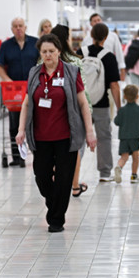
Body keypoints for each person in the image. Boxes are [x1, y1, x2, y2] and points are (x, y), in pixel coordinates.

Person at [15, 34, 97, 232]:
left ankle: (56, 219)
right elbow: (26, 103)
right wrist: (20, 130)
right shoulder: (34, 73)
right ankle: (55, 204)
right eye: (44, 52)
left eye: (52, 51)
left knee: (63, 179)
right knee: (41, 176)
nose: (48, 55)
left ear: (59, 51)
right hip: (41, 137)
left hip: (66, 137)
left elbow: (83, 102)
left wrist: (89, 131)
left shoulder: (71, 72)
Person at [49, 25, 91, 198]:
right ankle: (74, 185)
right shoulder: (76, 61)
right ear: (66, 39)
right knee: (76, 150)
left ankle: (56, 181)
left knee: (54, 149)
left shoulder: (44, 60)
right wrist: (89, 114)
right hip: (73, 113)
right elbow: (84, 92)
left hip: (51, 113)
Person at [78, 23, 121, 182]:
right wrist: (118, 106)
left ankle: (74, 171)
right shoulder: (108, 57)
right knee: (104, 137)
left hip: (81, 104)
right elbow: (114, 85)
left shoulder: (80, 53)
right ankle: (104, 173)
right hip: (101, 104)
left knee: (79, 137)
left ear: (91, 35)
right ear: (106, 37)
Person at [0, 17, 40, 168]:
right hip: (14, 91)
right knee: (15, 123)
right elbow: (0, 66)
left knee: (35, 122)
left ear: (25, 27)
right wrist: (7, 80)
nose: (18, 28)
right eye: (15, 26)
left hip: (33, 88)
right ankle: (17, 157)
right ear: (12, 29)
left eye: (20, 26)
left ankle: (37, 155)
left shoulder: (35, 43)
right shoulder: (6, 46)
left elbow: (41, 62)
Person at [113, 85, 139, 184]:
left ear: (124, 97)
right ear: (137, 96)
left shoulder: (122, 110)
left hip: (124, 137)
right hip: (135, 137)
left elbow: (116, 122)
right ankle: (134, 176)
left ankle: (119, 167)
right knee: (135, 157)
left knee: (124, 156)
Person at [82, 13, 126, 80]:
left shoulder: (113, 36)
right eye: (94, 21)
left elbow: (119, 53)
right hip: (92, 71)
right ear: (91, 24)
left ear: (102, 21)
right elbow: (83, 56)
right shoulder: (87, 39)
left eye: (98, 20)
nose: (97, 22)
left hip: (110, 67)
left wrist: (122, 69)